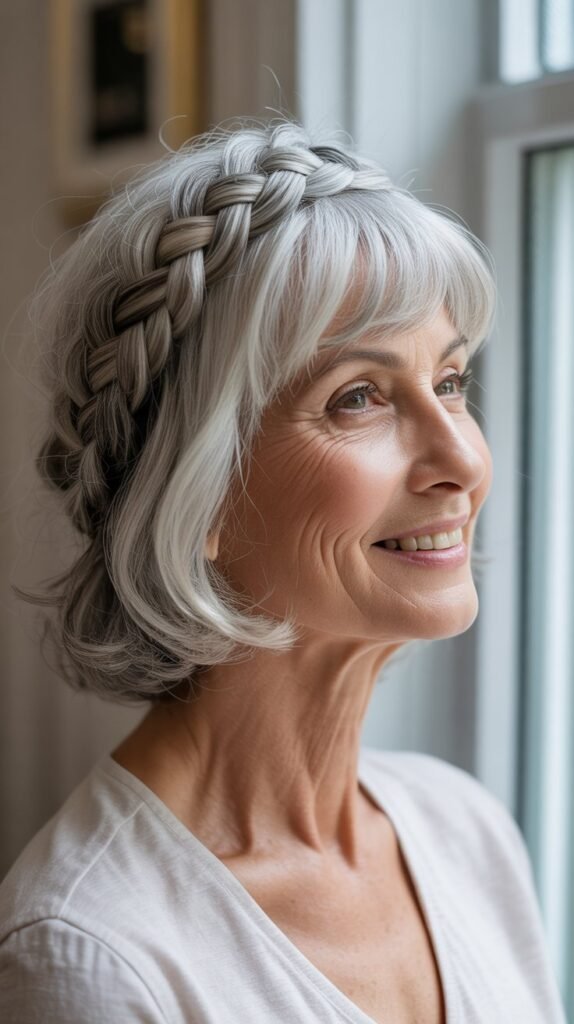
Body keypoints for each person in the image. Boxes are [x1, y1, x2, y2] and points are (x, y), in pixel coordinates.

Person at [0, 118, 567, 1024]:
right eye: (359, 398)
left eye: (452, 381)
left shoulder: (466, 831)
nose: (461, 456)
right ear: (198, 491)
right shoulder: (94, 960)